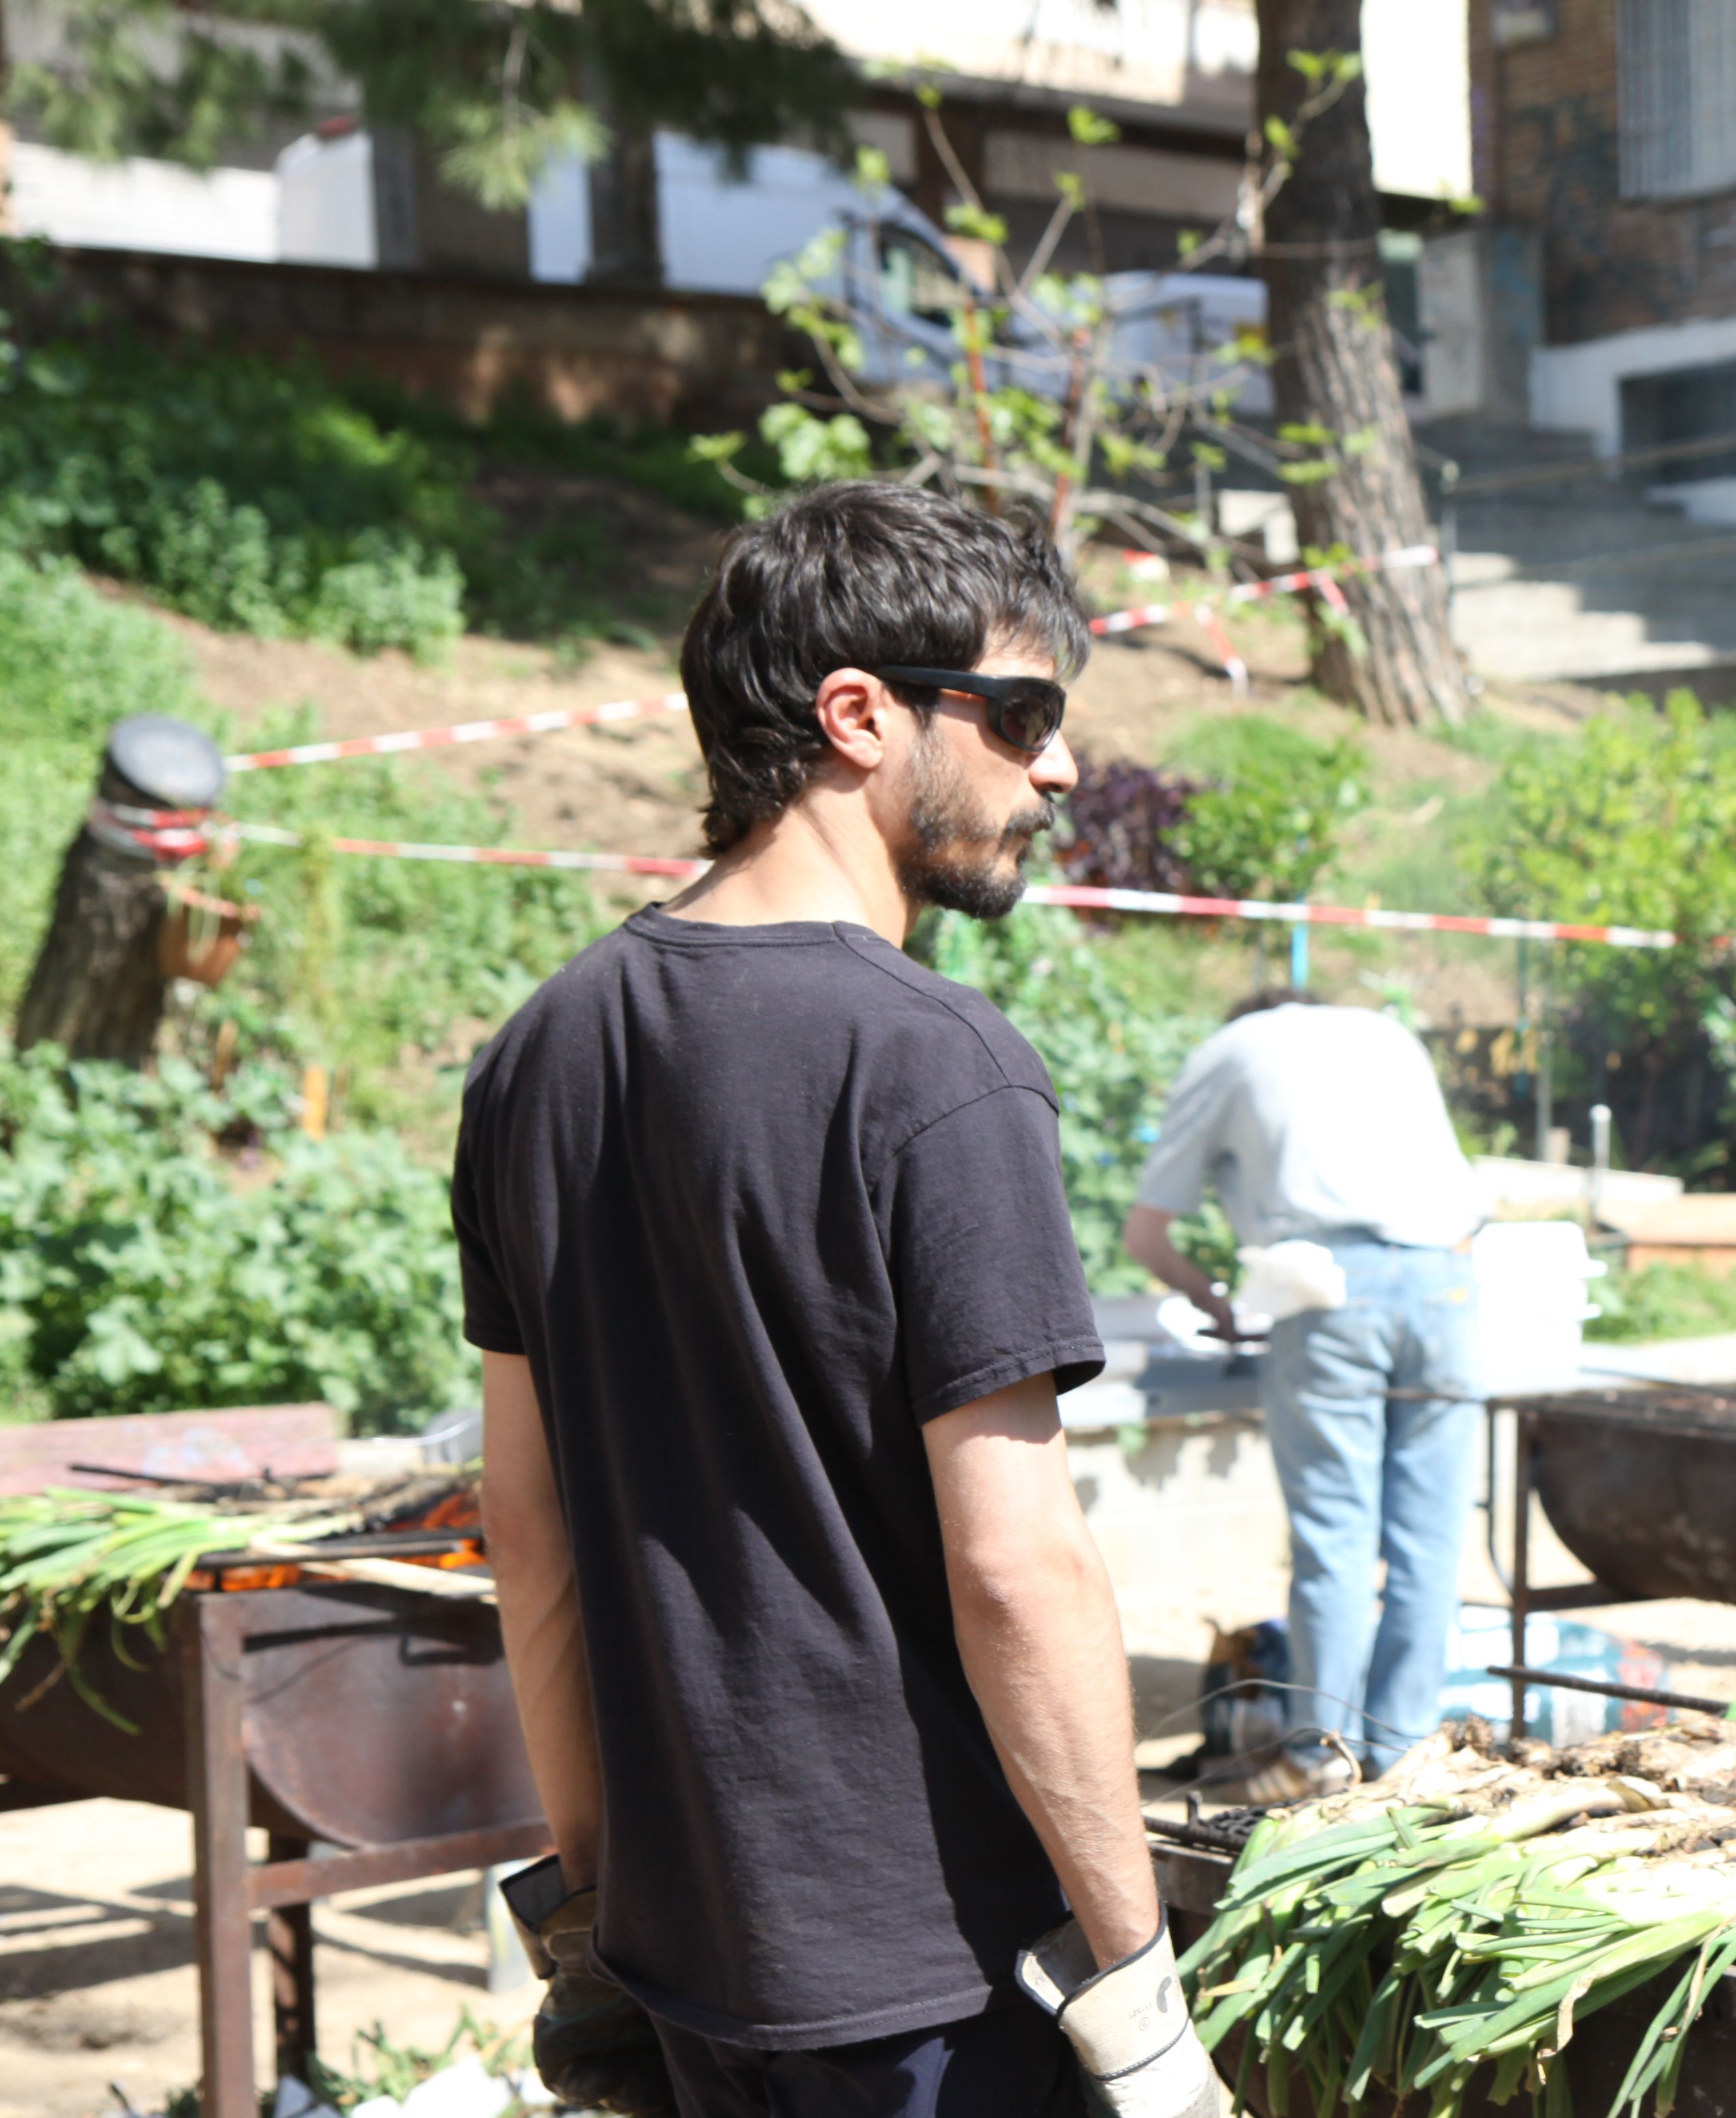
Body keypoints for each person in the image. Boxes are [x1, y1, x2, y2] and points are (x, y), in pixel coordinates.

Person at [460, 483, 1225, 2118]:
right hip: (932, 1972)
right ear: (861, 715)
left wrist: (593, 1905)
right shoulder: (934, 1065)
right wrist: (1137, 1986)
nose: (1059, 769)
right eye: (1023, 716)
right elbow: (1016, 1566)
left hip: (685, 1951)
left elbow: (525, 1528)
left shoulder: (537, 1054)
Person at [1126, 995, 1485, 1800]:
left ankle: (1322, 1755)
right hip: (1450, 1284)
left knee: (1337, 1539)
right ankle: (1402, 1755)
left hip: (1330, 1293)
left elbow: (1146, 1236)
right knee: (1429, 1540)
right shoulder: (1386, 1033)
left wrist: (1212, 1302)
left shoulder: (1233, 1046)